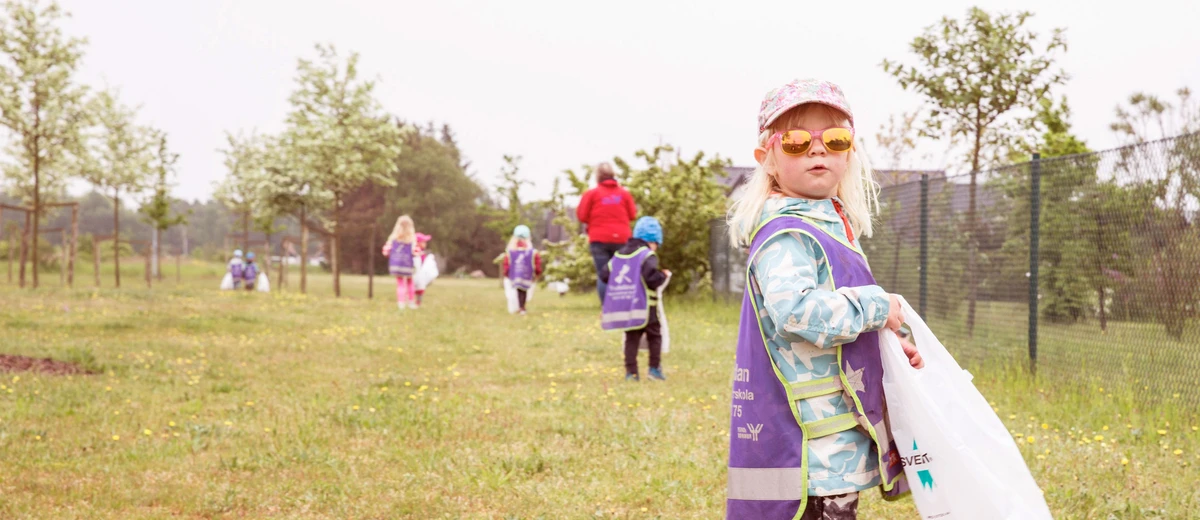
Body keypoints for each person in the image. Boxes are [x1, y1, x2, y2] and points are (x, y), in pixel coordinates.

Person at [723, 79, 924, 520]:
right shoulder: (787, 234)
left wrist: (886, 343)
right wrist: (877, 305)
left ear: (849, 152)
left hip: (833, 441)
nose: (817, 150)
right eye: (795, 141)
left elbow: (841, 318)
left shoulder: (828, 224)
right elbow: (796, 312)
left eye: (834, 139)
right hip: (811, 445)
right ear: (767, 159)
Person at [599, 216, 669, 382]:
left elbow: (604, 275)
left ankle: (631, 373)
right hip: (646, 307)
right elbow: (651, 279)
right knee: (654, 336)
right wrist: (663, 275)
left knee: (631, 338)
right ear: (653, 241)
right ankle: (654, 369)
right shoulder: (647, 255)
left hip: (626, 307)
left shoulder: (619, 255)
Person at [576, 162, 637, 303]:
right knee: (622, 273)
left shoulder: (591, 194)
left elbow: (582, 216)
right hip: (622, 239)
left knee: (604, 274)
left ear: (597, 176)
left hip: (599, 239)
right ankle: (622, 305)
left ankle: (607, 308)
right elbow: (632, 214)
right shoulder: (624, 194)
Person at [502, 225, 543, 316]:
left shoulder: (510, 251)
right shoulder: (532, 252)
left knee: (514, 291)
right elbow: (537, 264)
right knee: (523, 291)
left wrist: (506, 274)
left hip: (512, 276)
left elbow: (506, 265)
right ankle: (522, 308)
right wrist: (537, 274)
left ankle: (516, 308)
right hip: (527, 276)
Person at [382, 215, 419, 310]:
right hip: (407, 264)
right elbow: (415, 252)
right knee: (410, 282)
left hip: (396, 265)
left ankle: (401, 303)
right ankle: (411, 302)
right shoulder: (411, 239)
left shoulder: (393, 238)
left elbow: (386, 250)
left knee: (400, 284)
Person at [413, 233, 434, 307]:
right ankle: (412, 302)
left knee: (420, 289)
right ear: (417, 242)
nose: (425, 244)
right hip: (415, 274)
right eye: (423, 242)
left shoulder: (422, 252)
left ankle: (418, 303)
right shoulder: (416, 252)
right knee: (414, 288)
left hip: (420, 275)